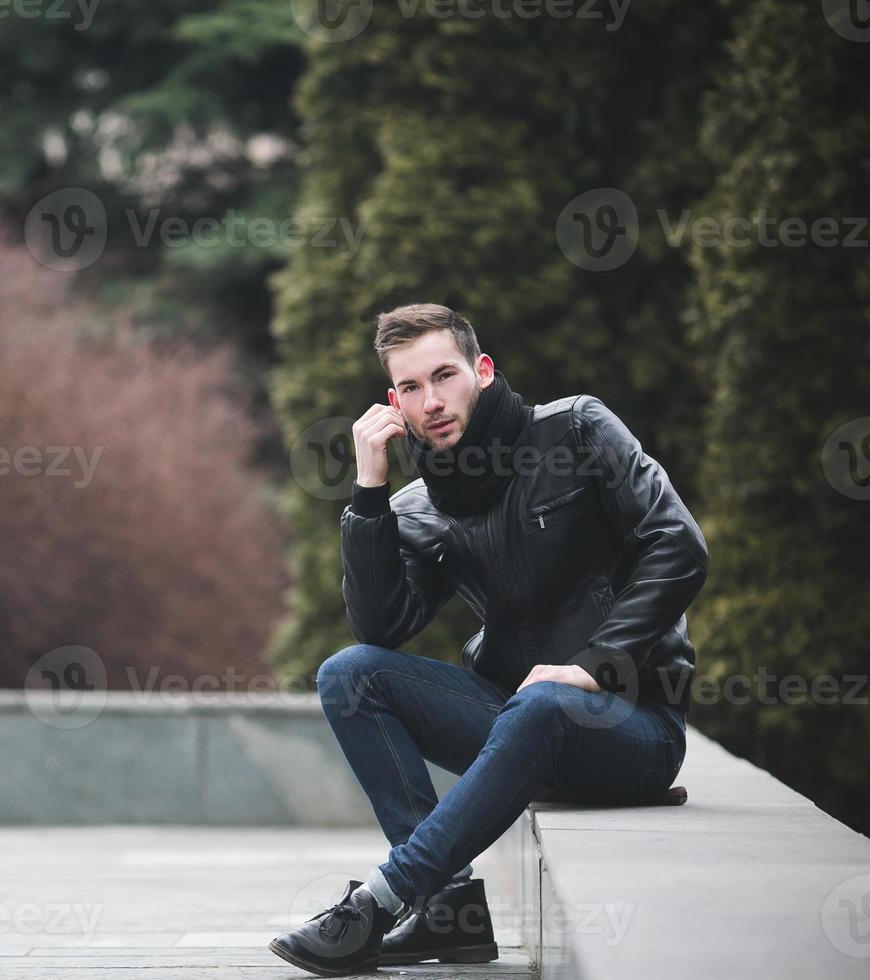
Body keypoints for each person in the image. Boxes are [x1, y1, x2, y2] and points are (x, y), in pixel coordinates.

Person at [268, 304, 708, 976]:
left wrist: (592, 666)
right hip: (523, 719)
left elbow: (678, 546)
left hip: (633, 727)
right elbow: (382, 628)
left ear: (482, 370)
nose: (432, 401)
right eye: (411, 388)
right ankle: (447, 907)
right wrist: (368, 493)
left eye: (444, 375)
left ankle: (382, 901)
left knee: (541, 704)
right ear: (393, 402)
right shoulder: (421, 505)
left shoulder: (578, 429)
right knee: (348, 674)